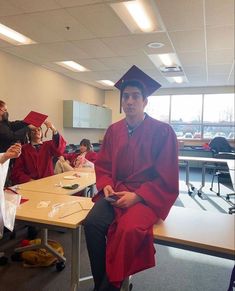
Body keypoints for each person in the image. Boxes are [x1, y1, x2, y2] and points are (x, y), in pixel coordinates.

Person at [83, 66, 179, 291]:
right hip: (116, 191)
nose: (129, 101)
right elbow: (104, 165)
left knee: (127, 231)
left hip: (147, 196)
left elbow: (167, 178)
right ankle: (105, 285)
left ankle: (108, 287)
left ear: (145, 102)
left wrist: (137, 197)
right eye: (126, 97)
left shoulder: (163, 132)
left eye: (135, 96)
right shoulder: (113, 131)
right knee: (92, 223)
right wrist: (106, 186)